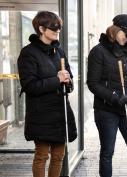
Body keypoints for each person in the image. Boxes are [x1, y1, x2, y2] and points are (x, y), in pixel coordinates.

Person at [87, 14, 127, 177]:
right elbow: (93, 84)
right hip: (106, 111)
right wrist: (114, 97)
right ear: (116, 31)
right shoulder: (98, 52)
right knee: (107, 153)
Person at [17, 11, 77, 177]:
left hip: (60, 112)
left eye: (59, 26)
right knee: (42, 156)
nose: (57, 30)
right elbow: (29, 86)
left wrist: (68, 81)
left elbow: (69, 78)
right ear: (41, 28)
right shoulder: (28, 53)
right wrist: (57, 79)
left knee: (59, 156)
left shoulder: (59, 51)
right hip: (41, 114)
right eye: (53, 27)